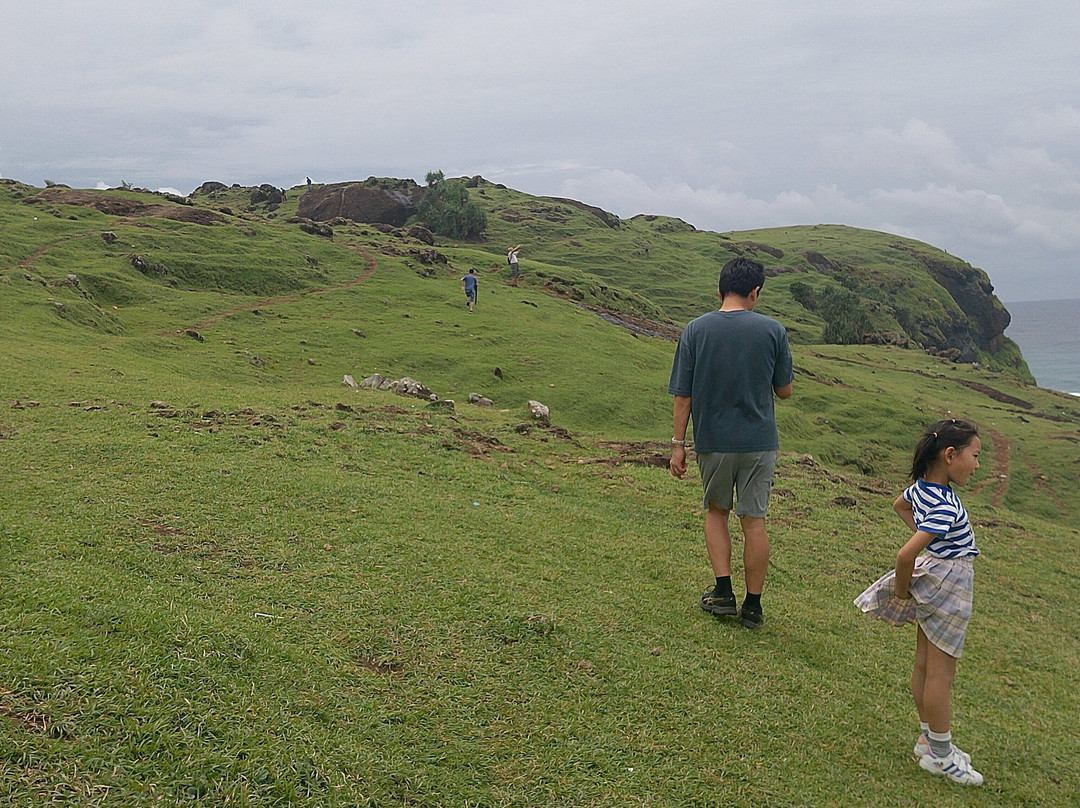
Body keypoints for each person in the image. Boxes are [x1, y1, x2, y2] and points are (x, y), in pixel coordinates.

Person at [854, 419, 984, 786]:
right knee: (941, 674)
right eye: (974, 456)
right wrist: (900, 593)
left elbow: (900, 505)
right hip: (951, 583)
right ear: (950, 455)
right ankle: (941, 756)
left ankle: (930, 740)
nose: (977, 465)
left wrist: (932, 541)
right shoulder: (944, 505)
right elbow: (904, 556)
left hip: (936, 575)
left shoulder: (921, 490)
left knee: (925, 666)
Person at [668, 257, 793, 630]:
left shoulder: (695, 330)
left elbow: (682, 397)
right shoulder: (773, 331)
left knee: (716, 512)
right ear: (755, 292)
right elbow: (784, 392)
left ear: (719, 291)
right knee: (754, 522)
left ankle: (723, 593)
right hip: (759, 443)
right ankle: (753, 607)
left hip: (714, 441)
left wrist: (678, 445)